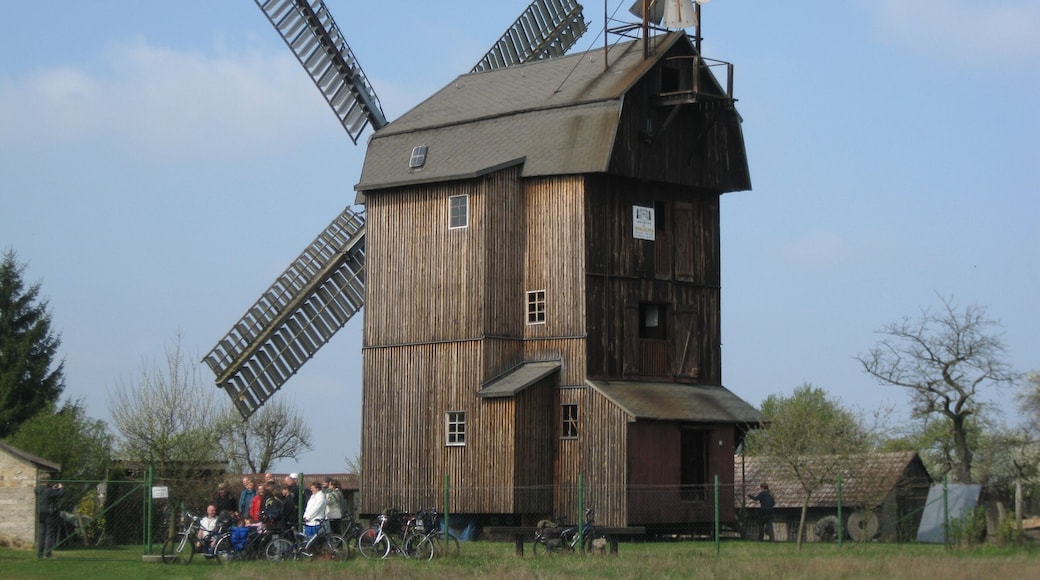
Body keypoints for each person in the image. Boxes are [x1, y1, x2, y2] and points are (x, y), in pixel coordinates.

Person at [35, 481, 65, 559]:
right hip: (48, 512)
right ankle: (48, 553)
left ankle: (40, 553)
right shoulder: (48, 490)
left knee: (42, 533)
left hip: (41, 512)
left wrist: (52, 488)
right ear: (47, 481)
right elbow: (60, 494)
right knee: (49, 533)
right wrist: (61, 488)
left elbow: (47, 494)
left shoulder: (37, 490)